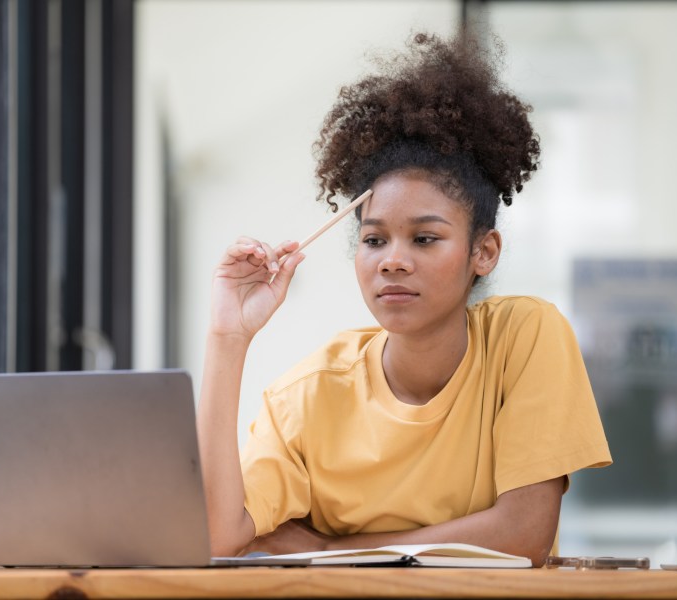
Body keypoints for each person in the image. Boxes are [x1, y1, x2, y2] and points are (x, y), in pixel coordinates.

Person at [196, 32, 612, 567]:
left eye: (424, 238)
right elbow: (215, 538)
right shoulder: (305, 397)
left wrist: (328, 550)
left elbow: (523, 533)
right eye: (373, 240)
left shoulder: (526, 336)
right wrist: (227, 338)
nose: (392, 260)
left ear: (483, 252)